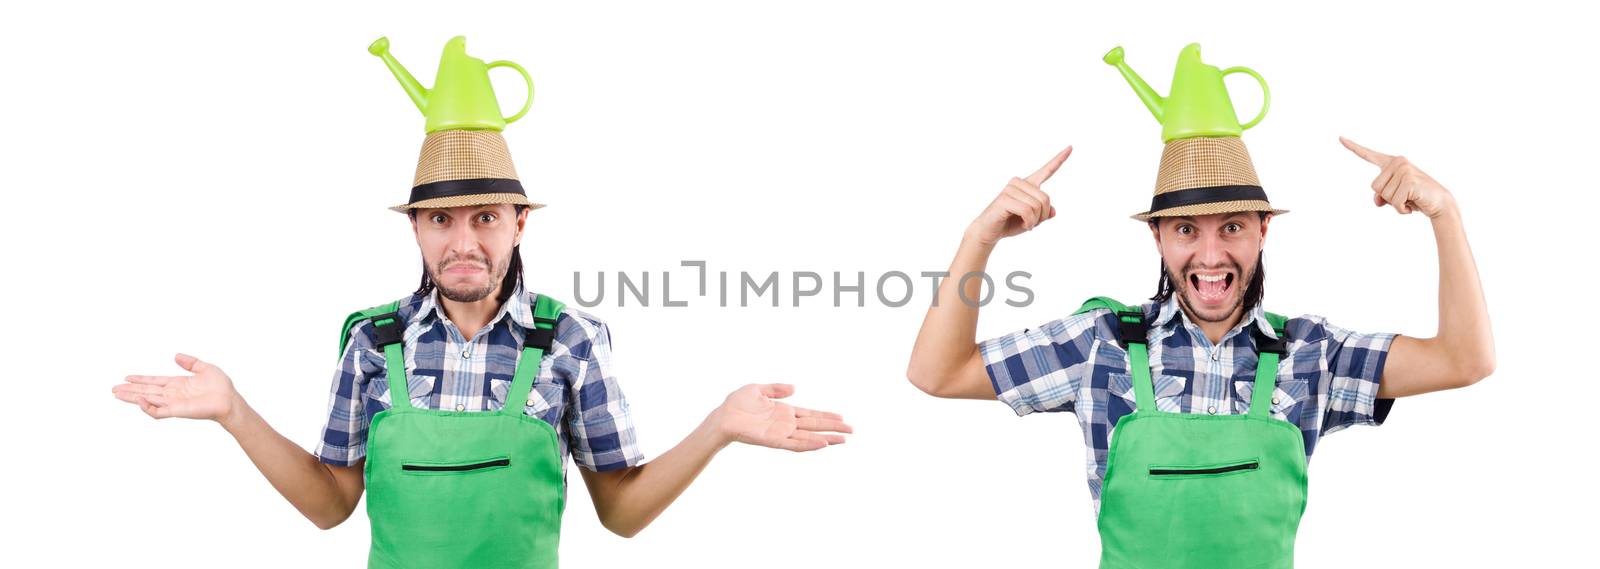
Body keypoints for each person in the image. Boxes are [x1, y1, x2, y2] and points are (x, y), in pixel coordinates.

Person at [112, 127, 851, 569]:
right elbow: (333, 504)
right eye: (440, 219)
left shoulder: (570, 341)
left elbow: (621, 513)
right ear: (415, 227)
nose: (463, 242)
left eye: (486, 217)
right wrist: (234, 411)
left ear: (520, 223)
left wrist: (717, 427)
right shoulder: (373, 343)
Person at [905, 136, 1494, 568]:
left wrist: (1445, 214)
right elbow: (937, 372)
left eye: (1232, 226)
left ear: (1264, 231)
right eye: (1187, 229)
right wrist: (978, 239)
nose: (1211, 256)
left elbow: (1464, 361)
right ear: (1157, 238)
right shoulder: (1100, 344)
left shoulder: (1313, 355)